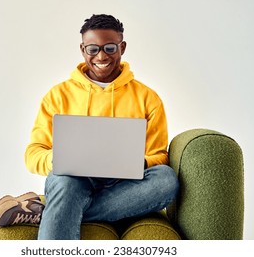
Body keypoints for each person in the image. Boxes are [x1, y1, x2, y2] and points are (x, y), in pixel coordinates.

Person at [25, 14, 179, 240]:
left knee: (166, 179)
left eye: (109, 48)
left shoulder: (148, 98)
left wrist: (139, 162)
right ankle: (65, 206)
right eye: (93, 49)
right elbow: (33, 154)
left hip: (125, 185)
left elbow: (159, 156)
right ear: (82, 49)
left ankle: (57, 212)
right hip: (72, 181)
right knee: (64, 181)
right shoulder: (57, 96)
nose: (101, 56)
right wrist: (60, 159)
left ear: (122, 47)